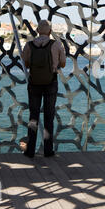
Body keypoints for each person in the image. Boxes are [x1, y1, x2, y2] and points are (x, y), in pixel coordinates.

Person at [21, 20, 66, 158]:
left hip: (34, 83)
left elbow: (25, 63)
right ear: (50, 32)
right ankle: (48, 150)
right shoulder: (57, 44)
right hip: (50, 82)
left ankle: (30, 151)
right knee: (49, 116)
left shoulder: (29, 45)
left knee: (33, 117)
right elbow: (63, 64)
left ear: (37, 31)